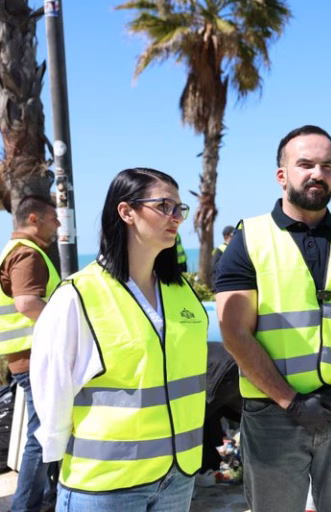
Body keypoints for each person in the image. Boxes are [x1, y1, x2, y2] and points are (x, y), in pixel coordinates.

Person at [214, 125, 331, 512]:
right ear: (282, 175)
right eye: (305, 164)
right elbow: (234, 332)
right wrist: (291, 403)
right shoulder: (250, 238)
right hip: (273, 413)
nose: (318, 174)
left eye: (327, 166)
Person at [31, 168, 208, 511]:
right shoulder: (79, 295)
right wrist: (53, 455)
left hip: (178, 477)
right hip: (105, 485)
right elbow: (51, 385)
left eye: (179, 209)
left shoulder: (182, 293)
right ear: (126, 212)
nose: (175, 218)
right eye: (164, 206)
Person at [0, 195, 61, 511]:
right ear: (34, 218)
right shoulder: (27, 254)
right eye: (54, 218)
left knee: (49, 431)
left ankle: (49, 498)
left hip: (28, 357)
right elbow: (26, 303)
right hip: (36, 358)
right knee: (41, 435)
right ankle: (25, 506)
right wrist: (70, 325)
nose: (58, 224)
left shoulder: (15, 251)